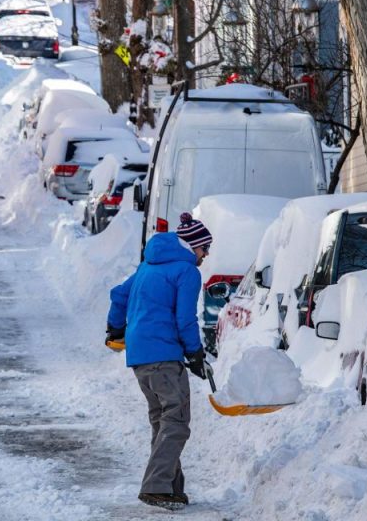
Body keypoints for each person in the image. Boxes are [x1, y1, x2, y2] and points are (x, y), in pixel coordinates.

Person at [106, 212, 214, 511]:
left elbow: (119, 295)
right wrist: (195, 353)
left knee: (163, 420)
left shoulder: (148, 265)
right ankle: (155, 486)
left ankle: (171, 487)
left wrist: (115, 329)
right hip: (164, 355)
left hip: (140, 356)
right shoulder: (187, 271)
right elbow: (185, 318)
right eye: (205, 248)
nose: (206, 254)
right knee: (176, 421)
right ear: (192, 246)